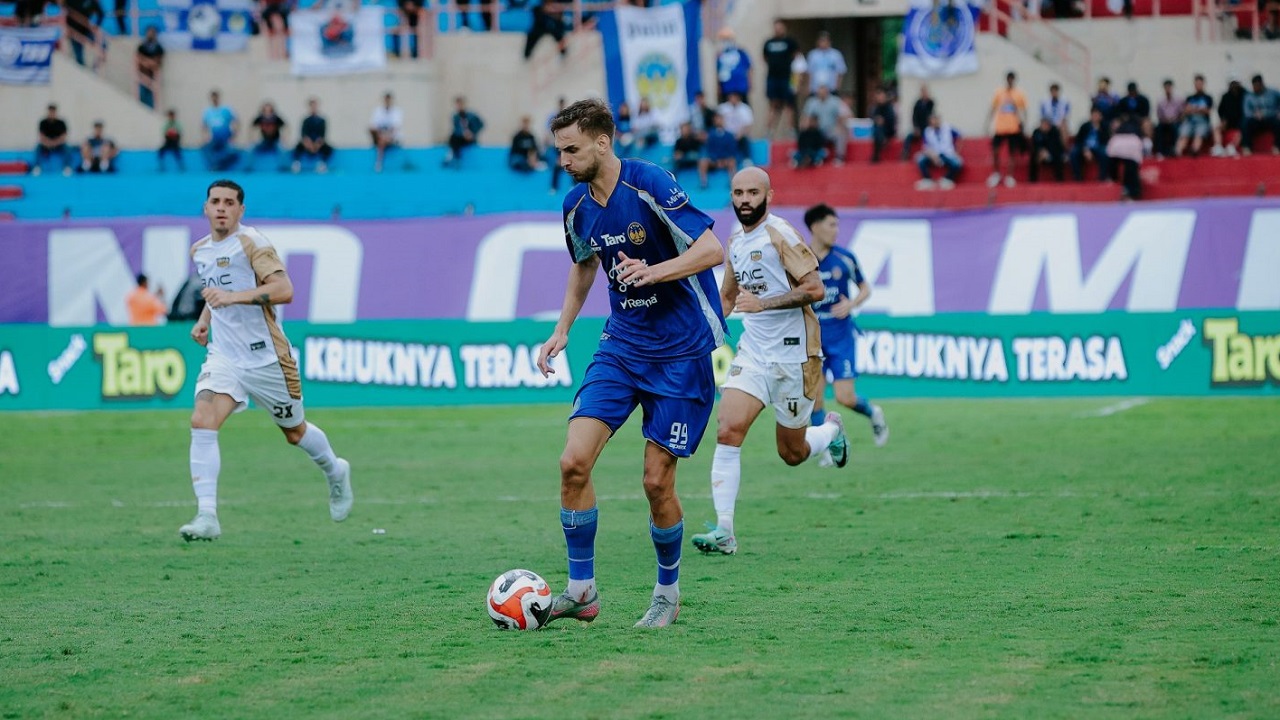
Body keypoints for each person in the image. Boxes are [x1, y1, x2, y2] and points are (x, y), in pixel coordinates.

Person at [535, 98, 727, 628]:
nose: (564, 160)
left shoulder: (650, 182)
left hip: (681, 351)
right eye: (559, 151)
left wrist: (655, 271)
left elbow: (712, 249)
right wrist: (561, 330)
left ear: (603, 141)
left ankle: (667, 592)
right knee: (573, 462)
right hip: (621, 346)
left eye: (572, 149)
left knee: (655, 482)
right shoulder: (576, 205)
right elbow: (583, 267)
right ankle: (581, 591)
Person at [178, 179, 353, 542]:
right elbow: (216, 295)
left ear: (241, 210)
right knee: (202, 418)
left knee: (294, 433)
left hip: (266, 357)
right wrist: (204, 319)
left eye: (230, 202)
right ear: (206, 208)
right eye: (215, 201)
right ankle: (207, 515)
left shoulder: (253, 243)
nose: (222, 207)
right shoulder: (200, 250)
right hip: (225, 355)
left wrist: (233, 297)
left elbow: (284, 290)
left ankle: (336, 471)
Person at [688, 169, 849, 557]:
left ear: (768, 195)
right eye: (738, 192)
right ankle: (725, 531)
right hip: (754, 354)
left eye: (753, 192)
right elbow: (727, 297)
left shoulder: (782, 235)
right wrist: (699, 338)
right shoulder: (735, 240)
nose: (744, 199)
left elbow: (815, 288)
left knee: (791, 454)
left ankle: (830, 432)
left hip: (795, 356)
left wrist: (764, 303)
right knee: (728, 429)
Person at [804, 203, 887, 458]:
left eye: (837, 224)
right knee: (815, 399)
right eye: (832, 224)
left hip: (840, 337)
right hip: (812, 338)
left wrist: (851, 304)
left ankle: (873, 413)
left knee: (845, 397)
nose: (836, 230)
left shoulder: (845, 258)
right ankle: (829, 450)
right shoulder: (801, 260)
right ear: (815, 227)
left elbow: (865, 288)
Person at [986, 71, 1027, 188]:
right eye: (1009, 79)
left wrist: (1024, 124)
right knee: (995, 151)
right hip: (1000, 127)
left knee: (1012, 153)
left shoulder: (1019, 94)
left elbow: (1024, 110)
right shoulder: (999, 92)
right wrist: (988, 123)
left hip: (1013, 128)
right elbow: (993, 108)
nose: (1010, 81)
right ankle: (996, 174)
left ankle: (1009, 176)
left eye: (1012, 79)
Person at [761, 19, 800, 137]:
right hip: (773, 77)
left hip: (786, 78)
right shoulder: (769, 43)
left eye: (780, 27)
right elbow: (765, 57)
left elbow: (796, 56)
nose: (778, 29)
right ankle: (769, 131)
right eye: (776, 27)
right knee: (773, 104)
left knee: (789, 104)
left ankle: (790, 130)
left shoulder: (790, 42)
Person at [801, 84, 851, 165]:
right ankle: (805, 156)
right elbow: (806, 118)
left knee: (841, 133)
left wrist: (840, 123)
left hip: (831, 130)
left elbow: (847, 114)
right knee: (805, 133)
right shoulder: (811, 102)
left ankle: (840, 157)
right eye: (820, 89)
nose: (821, 91)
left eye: (823, 89)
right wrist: (805, 126)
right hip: (816, 131)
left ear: (827, 90)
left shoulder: (835, 101)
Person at [915, 112, 963, 189]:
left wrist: (957, 151)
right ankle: (927, 179)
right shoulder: (927, 131)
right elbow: (925, 147)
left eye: (936, 120)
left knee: (957, 163)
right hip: (933, 154)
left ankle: (947, 179)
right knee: (920, 159)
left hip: (947, 153)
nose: (935, 122)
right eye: (933, 120)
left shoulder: (948, 128)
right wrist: (933, 156)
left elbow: (959, 137)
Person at [1241, 74, 1280, 156]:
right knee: (1245, 122)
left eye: (1257, 86)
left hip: (1271, 118)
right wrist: (1254, 115)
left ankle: (1277, 147)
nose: (1255, 88)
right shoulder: (1248, 96)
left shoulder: (1273, 93)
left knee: (1278, 122)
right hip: (1256, 120)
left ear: (1262, 84)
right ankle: (1247, 147)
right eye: (1254, 86)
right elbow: (1246, 112)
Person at [202, 90, 240, 171]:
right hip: (213, 139)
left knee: (233, 152)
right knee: (205, 149)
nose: (214, 100)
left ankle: (218, 165)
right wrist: (205, 138)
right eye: (213, 98)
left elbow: (236, 122)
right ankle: (215, 166)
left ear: (219, 98)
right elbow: (204, 126)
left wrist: (234, 136)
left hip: (226, 138)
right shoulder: (207, 112)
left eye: (216, 98)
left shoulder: (226, 109)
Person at [1176, 75, 1214, 157]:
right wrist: (1199, 109)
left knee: (1199, 133)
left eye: (1200, 83)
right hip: (1189, 121)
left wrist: (1194, 109)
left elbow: (1208, 111)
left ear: (1203, 84)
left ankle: (1195, 150)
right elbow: (1185, 110)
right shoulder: (1189, 97)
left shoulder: (1208, 98)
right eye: (1197, 84)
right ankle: (1177, 151)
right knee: (1184, 132)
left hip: (1202, 121)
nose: (1198, 85)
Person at [31, 104, 74, 176]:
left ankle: (67, 167)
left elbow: (63, 137)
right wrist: (48, 143)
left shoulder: (61, 123)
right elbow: (41, 137)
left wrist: (55, 143)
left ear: (55, 112)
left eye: (53, 112)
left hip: (58, 144)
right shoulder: (43, 122)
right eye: (50, 112)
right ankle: (37, 167)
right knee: (38, 147)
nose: (52, 113)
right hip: (46, 145)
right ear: (48, 112)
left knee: (67, 148)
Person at [292, 97, 333, 173]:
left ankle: (322, 164)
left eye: (315, 106)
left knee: (328, 148)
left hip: (318, 143)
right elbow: (304, 134)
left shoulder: (322, 121)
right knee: (298, 147)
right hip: (308, 143)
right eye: (312, 106)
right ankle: (296, 164)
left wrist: (317, 145)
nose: (313, 108)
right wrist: (309, 144)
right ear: (309, 107)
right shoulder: (305, 120)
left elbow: (322, 135)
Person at [1070, 107, 1111, 182]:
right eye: (1093, 115)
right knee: (1074, 152)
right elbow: (1078, 140)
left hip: (1098, 147)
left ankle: (1102, 177)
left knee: (1104, 152)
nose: (1095, 117)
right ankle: (1077, 177)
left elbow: (1106, 141)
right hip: (1085, 147)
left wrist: (1099, 130)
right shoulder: (1084, 126)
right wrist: (1085, 149)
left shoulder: (1104, 126)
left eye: (1097, 115)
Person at [699, 113, 739, 189]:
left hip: (725, 160)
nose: (719, 121)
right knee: (703, 161)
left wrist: (723, 160)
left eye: (720, 119)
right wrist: (716, 160)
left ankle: (733, 182)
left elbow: (732, 150)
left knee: (732, 161)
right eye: (717, 119)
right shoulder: (710, 135)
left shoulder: (729, 135)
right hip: (714, 160)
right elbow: (709, 150)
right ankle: (704, 182)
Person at [444, 96, 484, 169]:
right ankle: (456, 158)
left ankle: (451, 157)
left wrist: (472, 133)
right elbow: (456, 129)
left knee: (454, 139)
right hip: (460, 138)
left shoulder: (472, 116)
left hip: (470, 139)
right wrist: (463, 133)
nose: (459, 106)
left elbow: (481, 125)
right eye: (457, 105)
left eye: (460, 104)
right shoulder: (455, 117)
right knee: (453, 138)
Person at [715, 27, 751, 104]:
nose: (726, 42)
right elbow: (718, 72)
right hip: (726, 87)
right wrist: (718, 87)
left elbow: (749, 68)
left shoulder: (741, 52)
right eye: (723, 39)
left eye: (727, 39)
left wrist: (749, 83)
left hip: (740, 86)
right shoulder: (720, 55)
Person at [369, 92, 402, 173]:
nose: (387, 101)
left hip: (392, 138)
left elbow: (395, 128)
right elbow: (374, 126)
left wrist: (386, 135)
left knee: (383, 140)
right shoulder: (378, 111)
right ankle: (378, 162)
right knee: (380, 138)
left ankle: (379, 162)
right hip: (380, 137)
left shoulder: (397, 112)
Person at [248, 101, 286, 172]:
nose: (267, 112)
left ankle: (283, 167)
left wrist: (284, 139)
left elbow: (285, 127)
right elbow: (252, 127)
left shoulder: (276, 118)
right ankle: (250, 166)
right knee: (251, 149)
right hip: (263, 140)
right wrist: (252, 139)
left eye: (269, 110)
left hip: (275, 140)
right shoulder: (260, 118)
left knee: (282, 150)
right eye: (265, 110)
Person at [900, 84, 935, 161]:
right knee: (909, 137)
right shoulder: (917, 103)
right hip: (919, 128)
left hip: (927, 128)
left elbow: (931, 116)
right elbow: (914, 116)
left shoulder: (930, 103)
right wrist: (916, 127)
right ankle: (905, 153)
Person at [806, 30, 846, 95]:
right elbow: (809, 72)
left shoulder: (836, 55)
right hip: (815, 90)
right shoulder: (812, 55)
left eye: (825, 41)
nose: (823, 43)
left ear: (829, 42)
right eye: (821, 41)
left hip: (831, 89)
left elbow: (841, 72)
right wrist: (808, 88)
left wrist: (837, 88)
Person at [135, 25, 165, 110]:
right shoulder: (142, 46)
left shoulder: (158, 47)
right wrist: (146, 62)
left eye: (152, 32)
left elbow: (158, 61)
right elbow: (138, 58)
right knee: (142, 97)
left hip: (152, 76)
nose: (150, 34)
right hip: (142, 75)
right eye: (149, 32)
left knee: (152, 99)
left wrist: (149, 63)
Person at [1029, 116, 1066, 183]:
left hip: (1052, 154)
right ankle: (1032, 180)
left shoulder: (1054, 132)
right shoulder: (1037, 132)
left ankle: (1059, 180)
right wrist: (1040, 152)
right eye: (1043, 124)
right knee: (1033, 157)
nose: (1045, 126)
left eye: (1046, 124)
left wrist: (1048, 153)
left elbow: (1058, 146)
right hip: (1041, 155)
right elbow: (1034, 145)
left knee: (1058, 157)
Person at [1154, 79, 1184, 158]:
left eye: (1169, 87)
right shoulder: (1160, 101)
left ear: (1172, 87)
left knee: (1175, 127)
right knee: (1158, 128)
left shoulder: (1178, 99)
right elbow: (1159, 115)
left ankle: (1174, 149)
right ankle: (1160, 151)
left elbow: (1182, 114)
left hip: (1176, 121)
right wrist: (1166, 120)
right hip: (1164, 122)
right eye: (1166, 87)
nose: (1168, 89)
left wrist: (1174, 119)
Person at [868, 88, 897, 163]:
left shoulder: (889, 107)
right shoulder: (876, 107)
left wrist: (883, 120)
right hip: (880, 130)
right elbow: (873, 117)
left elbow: (892, 120)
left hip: (888, 130)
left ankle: (876, 153)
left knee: (878, 129)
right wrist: (877, 119)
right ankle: (881, 142)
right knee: (877, 128)